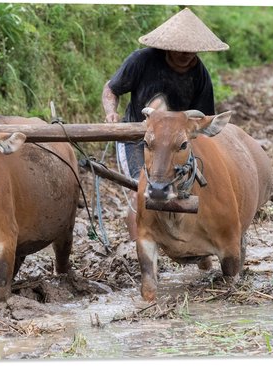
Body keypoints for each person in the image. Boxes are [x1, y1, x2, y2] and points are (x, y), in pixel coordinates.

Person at [102, 7, 229, 241]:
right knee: (139, 191)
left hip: (177, 143)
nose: (185, 54)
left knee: (191, 189)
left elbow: (203, 121)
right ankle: (138, 248)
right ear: (167, 45)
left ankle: (196, 244)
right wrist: (111, 112)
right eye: (180, 49)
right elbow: (111, 88)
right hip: (141, 138)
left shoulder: (200, 75)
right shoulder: (142, 60)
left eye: (190, 50)